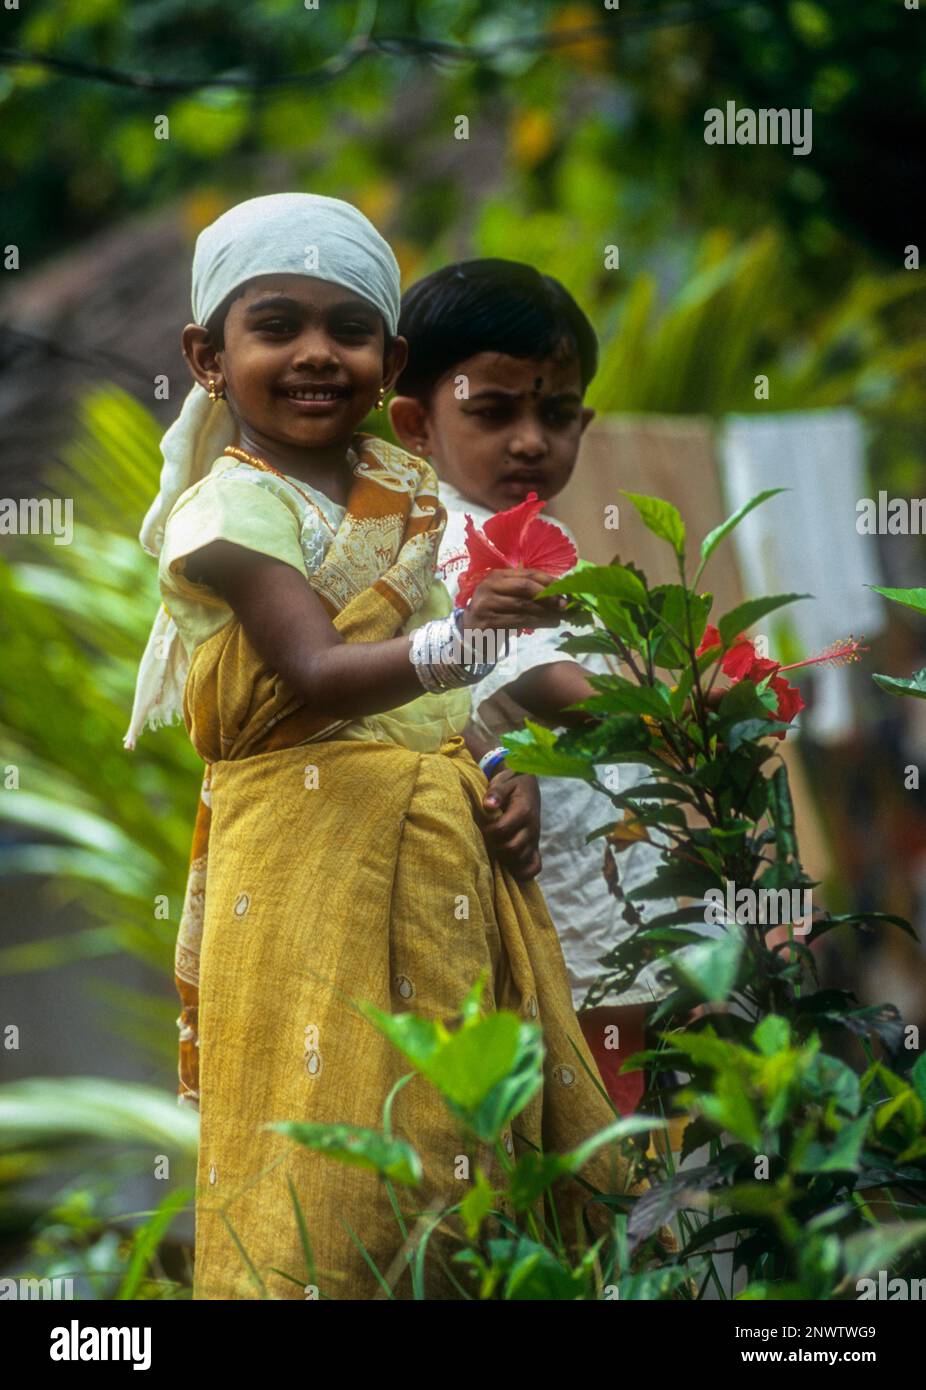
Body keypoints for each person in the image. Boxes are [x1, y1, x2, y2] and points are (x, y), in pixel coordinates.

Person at [123, 197, 640, 1300]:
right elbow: (315, 674)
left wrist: (508, 780)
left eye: (348, 330)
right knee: (333, 1157)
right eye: (277, 326)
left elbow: (441, 708)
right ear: (207, 358)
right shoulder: (230, 512)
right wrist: (470, 637)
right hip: (312, 862)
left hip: (444, 855)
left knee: (463, 1150)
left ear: (389, 359)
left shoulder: (408, 491)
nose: (316, 353)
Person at [390, 259, 675, 1117]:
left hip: (604, 888)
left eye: (556, 415)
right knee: (600, 1135)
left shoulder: (540, 535)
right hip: (554, 904)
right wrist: (689, 712)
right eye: (493, 410)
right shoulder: (442, 539)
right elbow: (552, 685)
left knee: (628, 1133)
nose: (529, 441)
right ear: (415, 422)